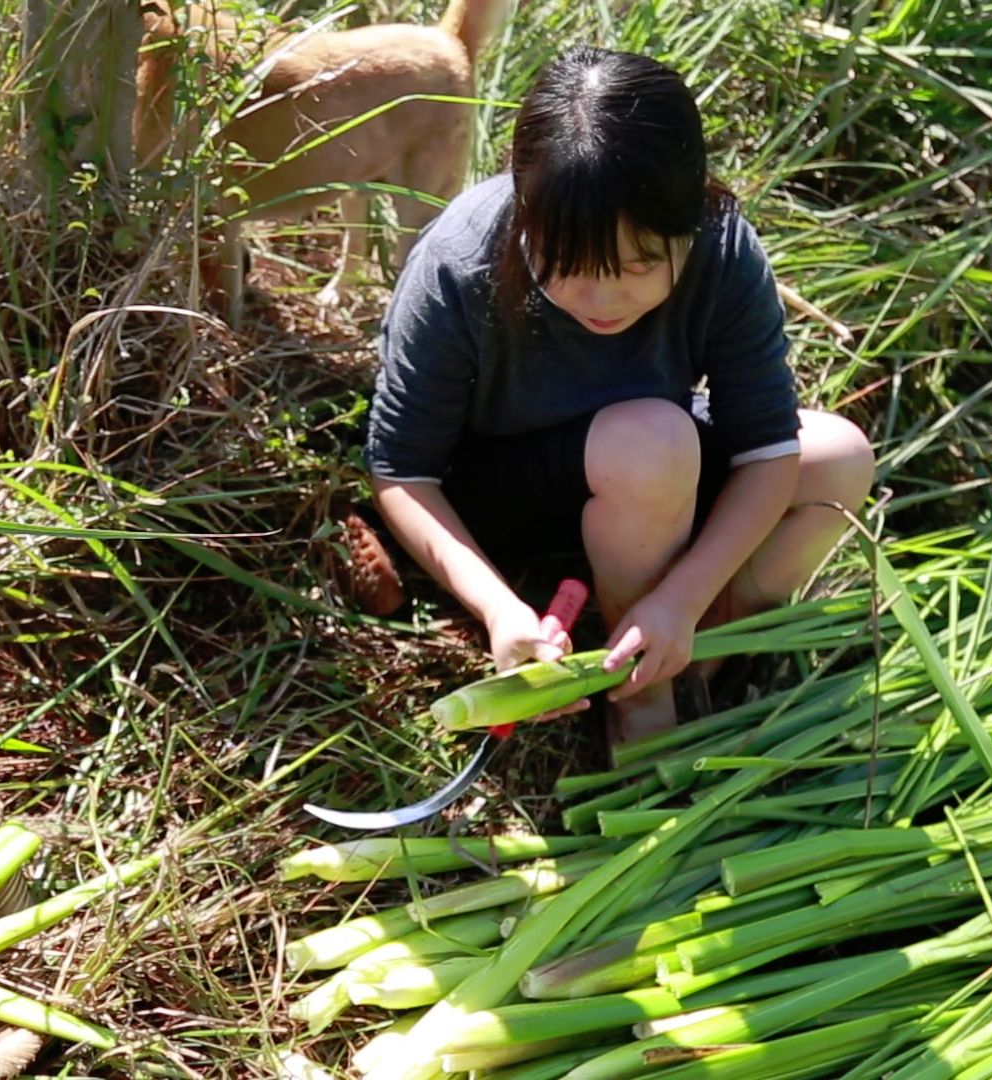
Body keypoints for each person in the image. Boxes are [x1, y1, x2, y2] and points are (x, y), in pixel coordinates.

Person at [362, 44, 877, 747]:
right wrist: (497, 609)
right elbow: (402, 473)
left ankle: (705, 657)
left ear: (690, 216)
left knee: (837, 460)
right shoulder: (459, 263)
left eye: (638, 264)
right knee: (652, 441)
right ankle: (642, 711)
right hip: (508, 494)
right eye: (568, 265)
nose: (604, 299)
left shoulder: (722, 252)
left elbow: (768, 452)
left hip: (650, 481)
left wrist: (683, 600)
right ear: (525, 216)